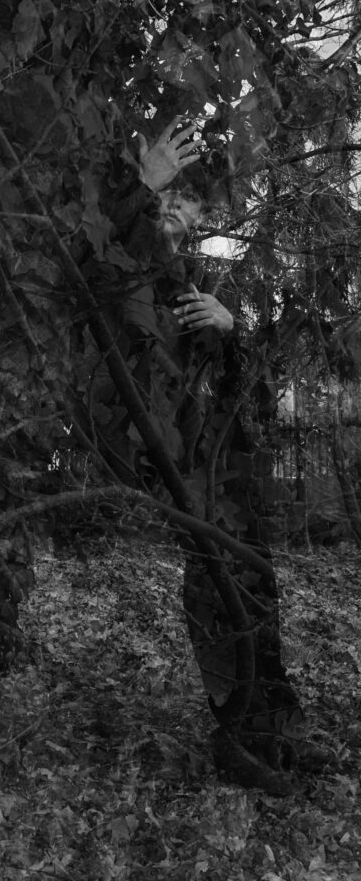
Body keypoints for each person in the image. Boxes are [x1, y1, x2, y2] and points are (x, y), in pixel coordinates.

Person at [92, 120, 325, 793]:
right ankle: (239, 729)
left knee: (254, 575)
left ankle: (275, 722)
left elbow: (237, 379)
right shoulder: (126, 247)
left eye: (190, 208)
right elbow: (102, 276)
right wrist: (142, 189)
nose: (177, 214)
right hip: (164, 453)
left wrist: (230, 327)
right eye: (172, 200)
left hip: (218, 455)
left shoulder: (193, 275)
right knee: (214, 577)